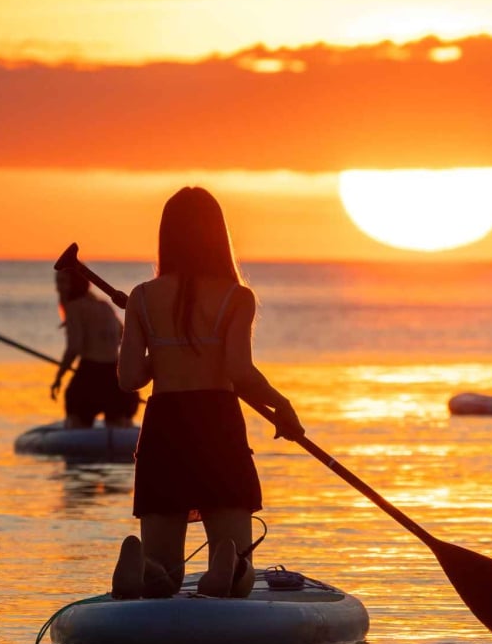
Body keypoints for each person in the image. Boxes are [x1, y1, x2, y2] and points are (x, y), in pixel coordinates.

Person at [112, 186, 303, 600]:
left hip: (164, 426)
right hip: (216, 425)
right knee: (240, 566)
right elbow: (239, 371)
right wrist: (282, 405)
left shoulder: (142, 298)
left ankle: (146, 567)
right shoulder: (237, 298)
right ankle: (228, 566)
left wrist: (159, 346)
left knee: (167, 572)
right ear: (218, 235)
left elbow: (129, 379)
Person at [51, 269, 139, 429]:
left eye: (63, 282)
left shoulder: (74, 307)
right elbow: (123, 335)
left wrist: (59, 376)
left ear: (75, 283)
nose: (59, 287)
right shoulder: (104, 306)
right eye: (57, 282)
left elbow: (74, 347)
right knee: (119, 423)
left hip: (89, 376)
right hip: (117, 376)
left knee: (77, 421)